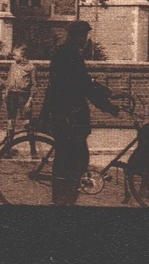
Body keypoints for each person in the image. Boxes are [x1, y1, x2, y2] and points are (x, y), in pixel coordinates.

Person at [40, 21, 118, 204]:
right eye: (80, 35)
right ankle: (62, 199)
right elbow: (81, 85)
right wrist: (108, 106)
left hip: (72, 113)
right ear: (72, 36)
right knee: (69, 158)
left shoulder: (72, 54)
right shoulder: (66, 54)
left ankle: (68, 196)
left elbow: (85, 82)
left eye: (85, 35)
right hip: (66, 114)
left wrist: (106, 94)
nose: (83, 39)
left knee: (78, 158)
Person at [3, 46, 37, 144]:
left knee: (27, 123)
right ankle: (8, 148)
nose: (13, 56)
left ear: (22, 55)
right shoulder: (13, 66)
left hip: (24, 96)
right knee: (10, 121)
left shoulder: (31, 67)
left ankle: (33, 150)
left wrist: (29, 101)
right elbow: (9, 80)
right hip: (12, 95)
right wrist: (6, 92)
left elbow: (34, 86)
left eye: (15, 55)